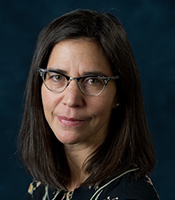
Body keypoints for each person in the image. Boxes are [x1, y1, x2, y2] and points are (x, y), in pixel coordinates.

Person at [18, 9, 160, 200]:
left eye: (92, 80)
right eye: (57, 77)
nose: (71, 99)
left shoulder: (130, 195)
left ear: (119, 94)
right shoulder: (43, 186)